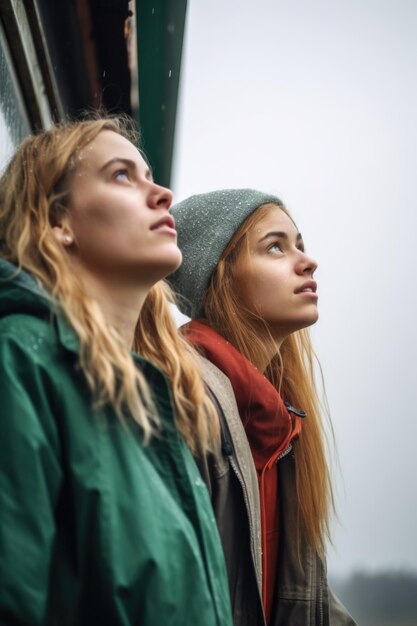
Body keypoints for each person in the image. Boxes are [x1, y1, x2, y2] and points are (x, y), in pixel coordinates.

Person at [0, 118, 233, 626]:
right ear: (57, 219)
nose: (163, 193)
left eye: (150, 174)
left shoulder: (157, 403)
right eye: (123, 175)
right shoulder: (18, 361)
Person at [168, 189, 357, 626]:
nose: (307, 262)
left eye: (300, 246)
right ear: (220, 275)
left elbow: (300, 601)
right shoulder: (183, 398)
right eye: (275, 247)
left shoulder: (281, 424)